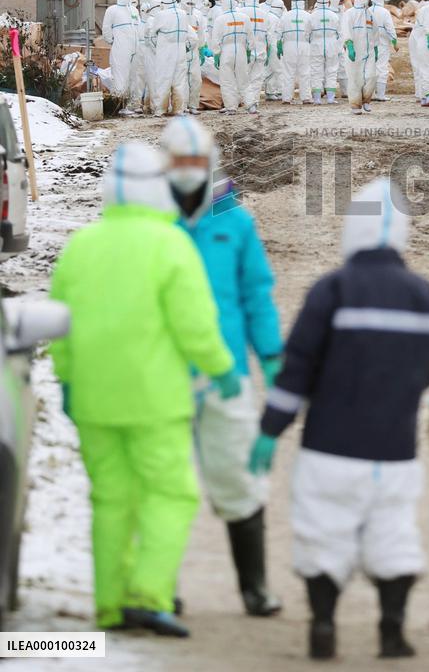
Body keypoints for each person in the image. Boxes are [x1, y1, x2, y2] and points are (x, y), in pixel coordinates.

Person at [249, 179, 429, 661]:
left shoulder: (331, 291)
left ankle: (323, 625)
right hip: (395, 450)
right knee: (394, 535)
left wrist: (270, 430)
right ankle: (392, 631)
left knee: (323, 533)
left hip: (329, 448)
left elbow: (297, 369)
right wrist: (400, 389)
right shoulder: (421, 293)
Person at [49, 142, 240, 637]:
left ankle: (110, 604)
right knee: (170, 494)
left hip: (93, 399)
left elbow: (60, 324)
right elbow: (195, 325)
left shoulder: (81, 245)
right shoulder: (170, 244)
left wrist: (68, 381)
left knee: (110, 499)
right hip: (156, 400)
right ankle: (148, 594)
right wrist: (221, 369)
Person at [161, 117, 283, 618]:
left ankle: (254, 587)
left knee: (238, 475)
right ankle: (157, 587)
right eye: (179, 161)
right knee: (164, 484)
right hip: (163, 370)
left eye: (196, 161)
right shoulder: (149, 220)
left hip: (225, 371)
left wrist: (271, 356)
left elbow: (256, 292)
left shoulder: (233, 221)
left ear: (208, 163)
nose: (188, 170)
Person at [148, 0, 194, 117]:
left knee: (163, 79)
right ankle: (178, 109)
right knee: (179, 81)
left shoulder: (160, 15)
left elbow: (152, 36)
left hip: (166, 51)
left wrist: (157, 49)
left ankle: (160, 109)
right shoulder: (183, 14)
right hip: (180, 50)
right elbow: (189, 35)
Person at [211, 0, 255, 114]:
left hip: (226, 51)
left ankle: (231, 107)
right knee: (244, 79)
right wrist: (249, 50)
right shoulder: (244, 18)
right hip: (241, 50)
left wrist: (216, 53)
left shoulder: (220, 19)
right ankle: (251, 105)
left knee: (227, 80)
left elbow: (215, 39)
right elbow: (251, 36)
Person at [101, 0, 140, 113]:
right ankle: (120, 105)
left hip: (135, 47)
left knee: (133, 76)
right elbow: (106, 29)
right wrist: (113, 41)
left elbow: (138, 27)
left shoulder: (134, 10)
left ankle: (131, 104)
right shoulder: (112, 10)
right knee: (120, 76)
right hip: (121, 48)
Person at [341, 0, 377, 114]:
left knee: (372, 76)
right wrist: (349, 45)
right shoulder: (349, 14)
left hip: (369, 52)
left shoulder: (370, 14)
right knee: (355, 79)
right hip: (354, 52)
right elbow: (346, 30)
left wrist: (376, 48)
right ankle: (355, 105)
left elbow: (375, 32)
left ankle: (366, 100)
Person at [241, 0, 273, 114]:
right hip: (261, 50)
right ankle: (254, 102)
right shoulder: (265, 14)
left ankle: (245, 102)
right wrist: (268, 49)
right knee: (257, 78)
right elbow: (269, 36)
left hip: (245, 51)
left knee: (243, 78)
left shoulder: (240, 12)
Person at [307, 0, 342, 104]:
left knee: (316, 71)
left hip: (316, 45)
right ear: (328, 2)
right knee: (331, 70)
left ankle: (317, 98)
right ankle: (331, 98)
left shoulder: (312, 16)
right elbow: (340, 33)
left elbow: (306, 33)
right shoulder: (334, 15)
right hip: (332, 44)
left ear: (317, 2)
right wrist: (340, 48)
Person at [277, 0, 311, 105]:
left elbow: (278, 32)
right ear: (302, 2)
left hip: (288, 45)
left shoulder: (285, 16)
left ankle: (286, 98)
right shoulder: (308, 16)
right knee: (305, 72)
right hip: (304, 45)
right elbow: (312, 32)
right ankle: (306, 97)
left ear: (292, 3)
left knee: (288, 72)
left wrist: (279, 45)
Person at [369, 0, 399, 101]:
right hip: (382, 43)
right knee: (382, 67)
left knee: (369, 68)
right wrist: (394, 41)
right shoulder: (384, 12)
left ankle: (370, 94)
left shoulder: (366, 11)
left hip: (369, 43)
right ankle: (380, 95)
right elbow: (390, 28)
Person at [180, 0, 208, 114]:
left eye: (192, 4)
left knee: (196, 80)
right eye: (188, 3)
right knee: (182, 80)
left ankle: (193, 106)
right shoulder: (178, 16)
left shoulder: (198, 16)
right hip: (181, 52)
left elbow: (201, 33)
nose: (190, 6)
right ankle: (182, 106)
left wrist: (202, 48)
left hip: (195, 52)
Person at [263, 0, 285, 101]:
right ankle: (278, 91)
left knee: (272, 69)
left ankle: (272, 91)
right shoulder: (272, 16)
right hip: (272, 45)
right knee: (277, 69)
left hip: (272, 44)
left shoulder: (273, 15)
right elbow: (270, 34)